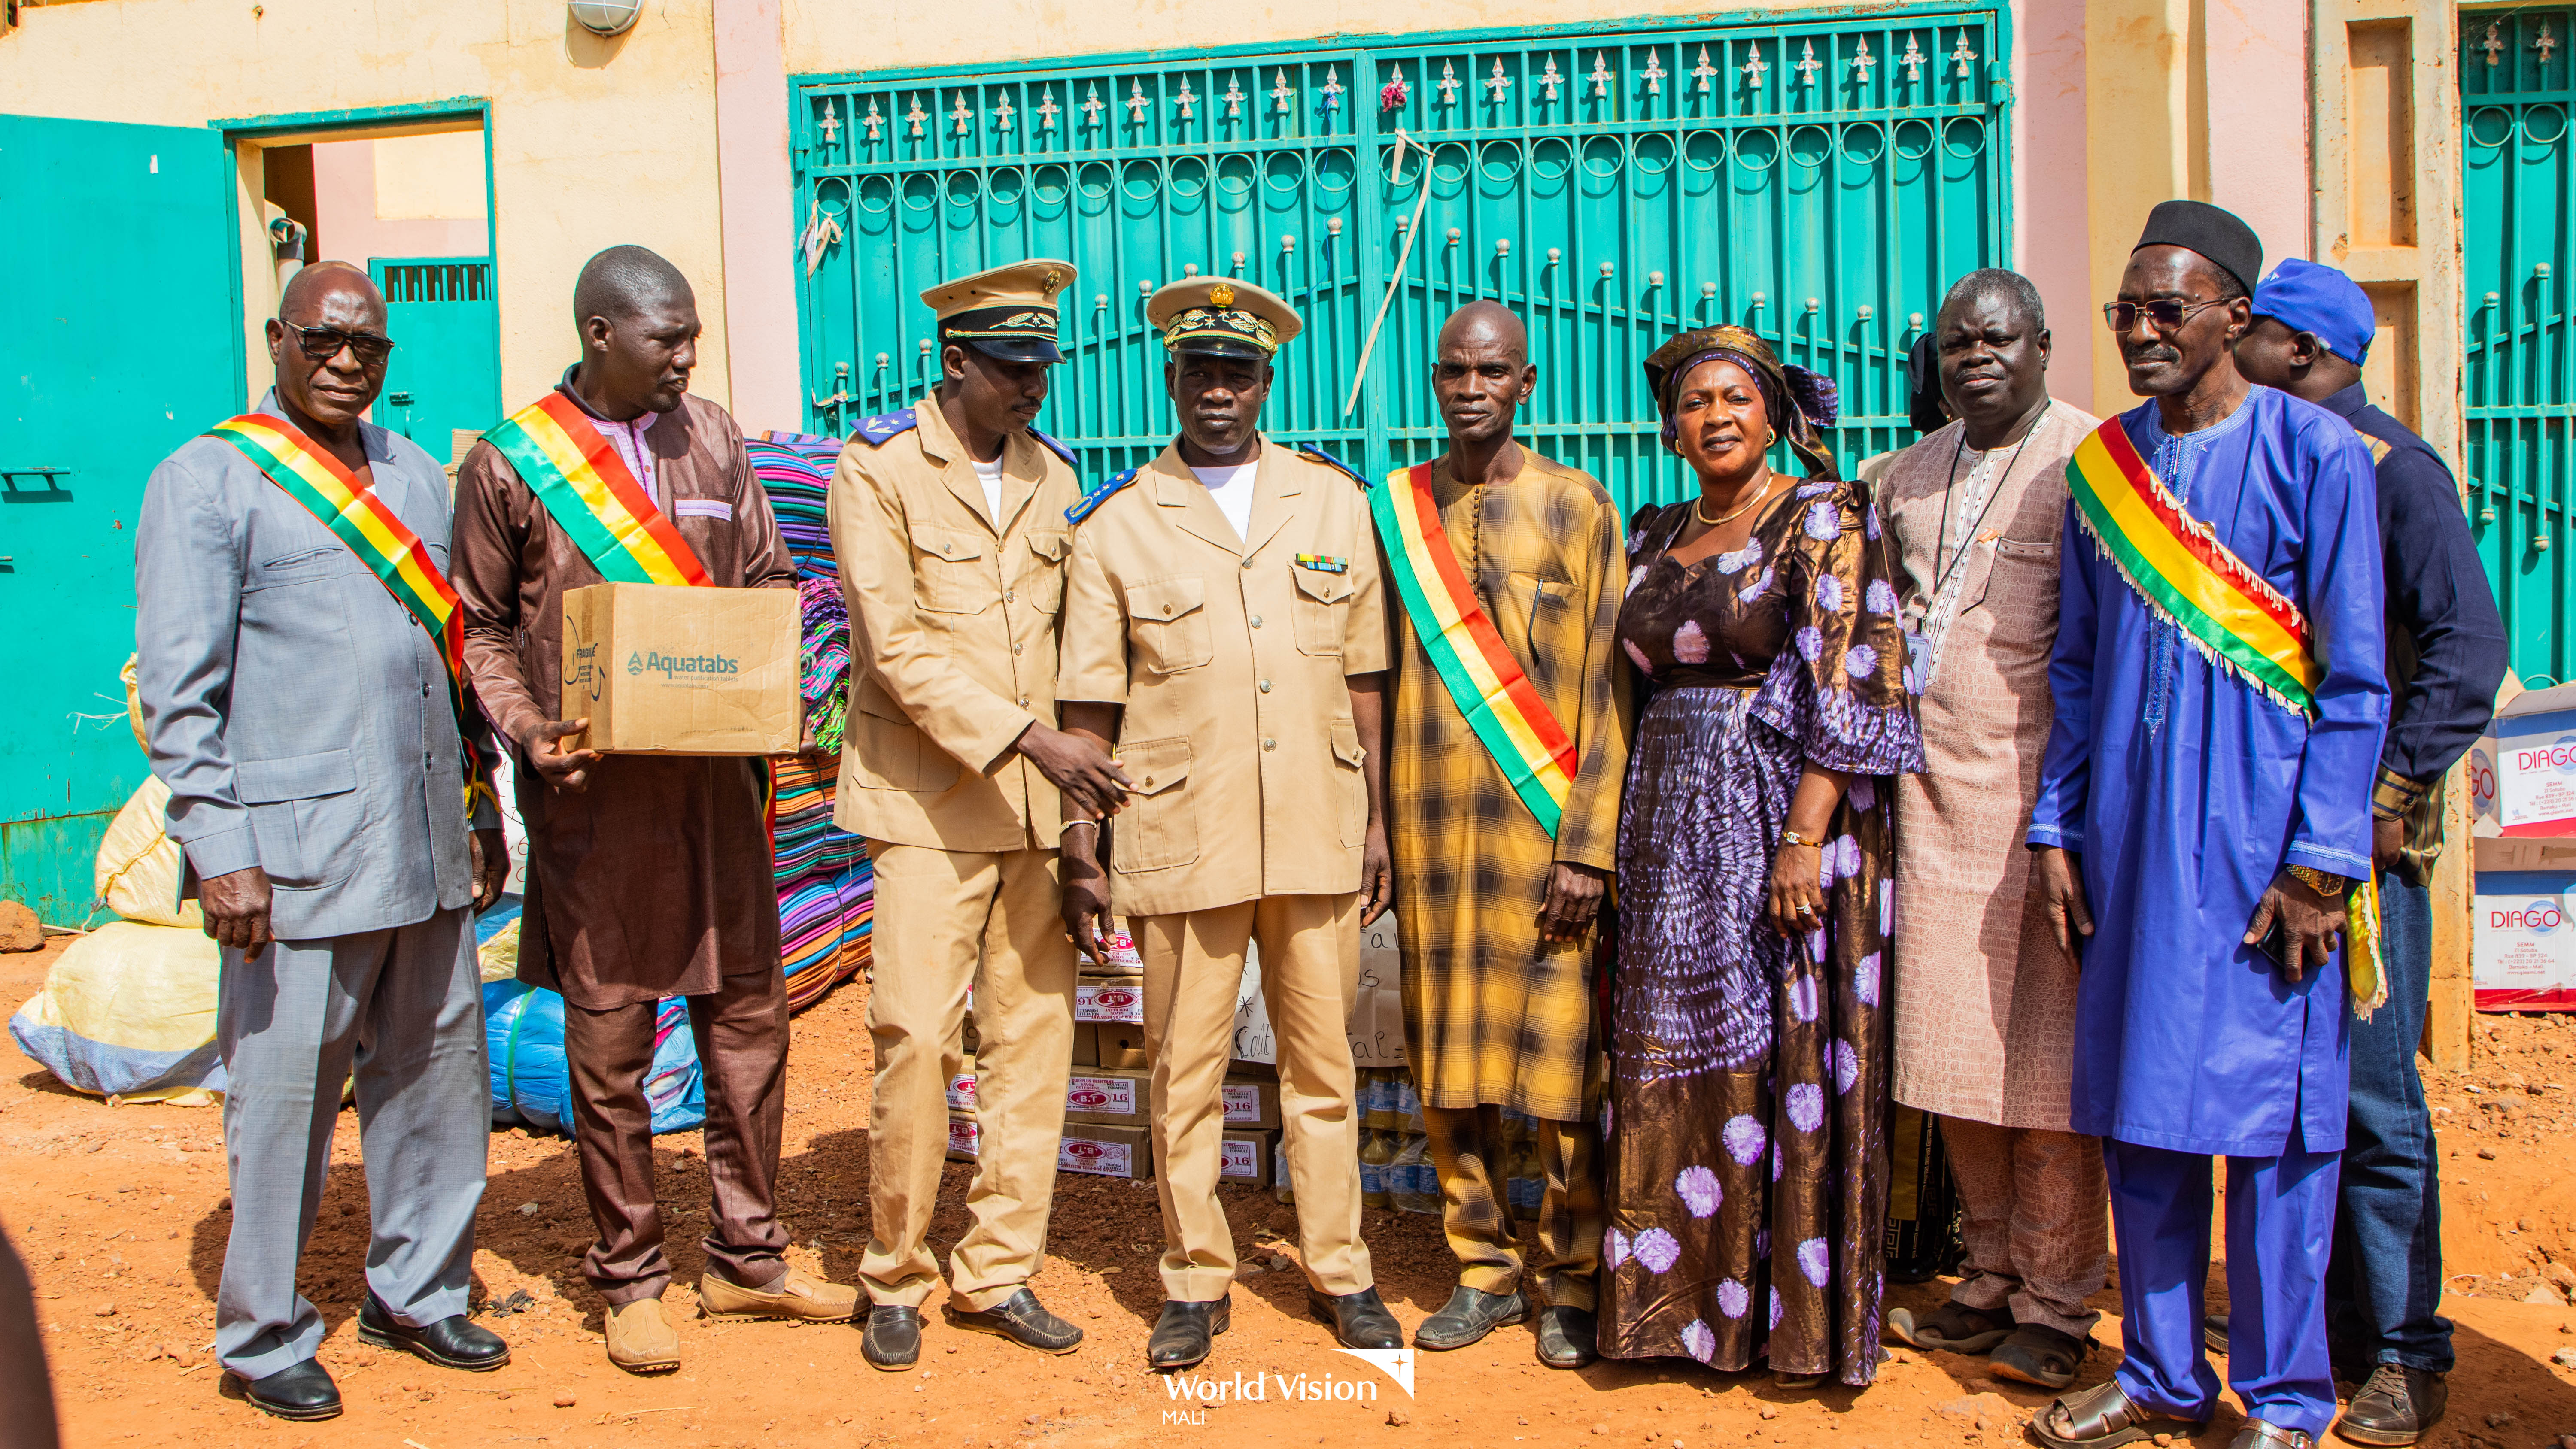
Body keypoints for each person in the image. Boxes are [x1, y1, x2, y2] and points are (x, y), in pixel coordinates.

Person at [452, 246, 857, 1373]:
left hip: (719, 790)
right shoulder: (513, 462)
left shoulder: (714, 436)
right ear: (601, 334)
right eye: (666, 339)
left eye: (692, 337)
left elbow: (771, 581)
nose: (687, 357)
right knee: (613, 1039)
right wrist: (528, 728)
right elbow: (481, 629)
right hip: (596, 803)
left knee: (749, 1025)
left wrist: (770, 679)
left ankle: (748, 1257)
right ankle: (630, 1276)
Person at [2026, 202, 2388, 1449]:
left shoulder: (2317, 453)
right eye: (2125, 311)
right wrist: (2058, 827)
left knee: (2277, 1140)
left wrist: (2323, 861)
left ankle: (2284, 1401)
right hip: (2132, 848)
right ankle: (2161, 1377)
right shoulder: (2103, 471)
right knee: (2145, 1121)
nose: (2140, 331)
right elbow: (2076, 671)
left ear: (2236, 314)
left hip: (2266, 855)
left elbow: (2358, 682)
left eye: (2166, 309)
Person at [135, 263, 511, 1419]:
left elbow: (451, 658)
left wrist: (481, 803)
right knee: (285, 1100)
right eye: (324, 341)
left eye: (369, 347)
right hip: (292, 860)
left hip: (422, 841)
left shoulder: (413, 474)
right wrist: (219, 847)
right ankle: (262, 1335)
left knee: (438, 1081)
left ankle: (418, 1290)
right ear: (277, 338)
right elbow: (178, 694)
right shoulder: (207, 480)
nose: (348, 362)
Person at [1055, 277, 1402, 1370]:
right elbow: (1088, 706)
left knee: (1322, 1067)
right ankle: (1194, 1277)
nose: (1218, 391)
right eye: (1199, 371)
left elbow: (1364, 677)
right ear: (1171, 378)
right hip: (1181, 826)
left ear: (1266, 382)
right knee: (1184, 1072)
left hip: (1314, 820)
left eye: (1237, 373)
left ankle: (1340, 1267)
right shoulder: (1118, 523)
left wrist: (1379, 819)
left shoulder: (1332, 503)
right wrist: (1080, 843)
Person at [1601, 324, 1923, 1387]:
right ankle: (1670, 1311)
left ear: (1775, 415)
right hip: (1666, 825)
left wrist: (1804, 837)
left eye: (1736, 398)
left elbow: (1857, 674)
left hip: (1774, 816)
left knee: (1769, 1054)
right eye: (1695, 402)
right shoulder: (1653, 529)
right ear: (1671, 427)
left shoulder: (1821, 515)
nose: (1715, 417)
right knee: (1665, 1058)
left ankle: (1778, 1320)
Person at [827, 259, 1132, 1369]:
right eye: (1012, 368)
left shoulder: (1058, 477)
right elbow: (894, 646)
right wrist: (1031, 739)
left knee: (1031, 1046)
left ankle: (999, 1269)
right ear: (956, 361)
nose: (1033, 388)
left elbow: (1081, 651)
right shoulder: (879, 471)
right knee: (915, 1035)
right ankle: (895, 1272)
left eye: (1043, 367)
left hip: (1038, 818)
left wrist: (1082, 828)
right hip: (927, 804)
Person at [2229, 258, 2506, 1446]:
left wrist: (2387, 791)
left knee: (2378, 1098)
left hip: (2363, 857)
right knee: (2296, 1101)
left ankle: (2407, 1350)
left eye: (2250, 331)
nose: (2229, 347)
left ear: (2298, 350)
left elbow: (2469, 650)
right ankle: (2331, 1330)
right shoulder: (2267, 460)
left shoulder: (2394, 470)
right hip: (2270, 843)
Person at [1379, 302, 1631, 1368]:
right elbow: (1370, 674)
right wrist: (1375, 827)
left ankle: (1571, 1277)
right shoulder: (1397, 510)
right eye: (1455, 370)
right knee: (1450, 1061)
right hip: (1432, 826)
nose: (1472, 387)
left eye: (1493, 371)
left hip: (1547, 832)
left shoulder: (1579, 503)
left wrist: (1588, 846)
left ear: (1527, 382)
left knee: (1565, 1068)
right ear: (1434, 380)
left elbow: (1613, 689)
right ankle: (1482, 1266)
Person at [1880, 269, 2108, 1390]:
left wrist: (2075, 817)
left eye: (1997, 339)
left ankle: (2059, 1301)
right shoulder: (1902, 476)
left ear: (2043, 345)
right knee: (1949, 1054)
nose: (1975, 357)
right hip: (1927, 808)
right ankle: (1990, 1271)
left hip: (2041, 811)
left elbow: (2107, 655)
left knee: (2046, 1072)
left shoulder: (2092, 463)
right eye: (1956, 342)